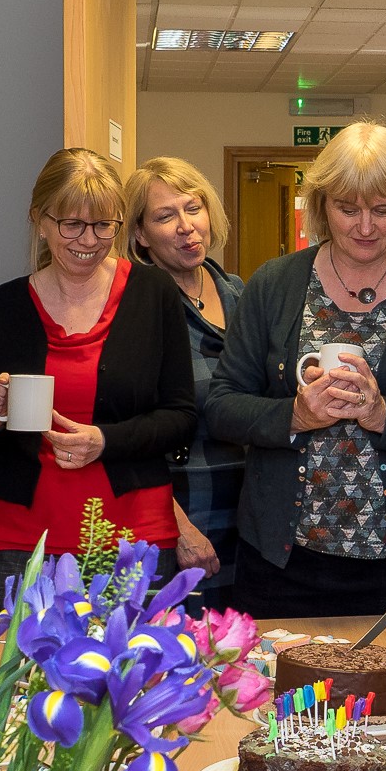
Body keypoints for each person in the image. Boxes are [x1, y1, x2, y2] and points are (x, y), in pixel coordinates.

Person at [205, 122, 386, 676]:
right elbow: (222, 405)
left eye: (383, 210)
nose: (365, 226)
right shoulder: (275, 284)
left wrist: (385, 415)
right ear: (319, 204)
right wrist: (296, 414)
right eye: (346, 208)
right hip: (282, 565)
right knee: (278, 722)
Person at [0, 148, 196, 626]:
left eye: (103, 226)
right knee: (9, 689)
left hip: (134, 535)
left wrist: (105, 441)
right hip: (18, 538)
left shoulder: (153, 295)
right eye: (71, 224)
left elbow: (181, 417)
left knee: (132, 687)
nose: (88, 241)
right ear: (40, 220)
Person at [124, 156, 247, 605]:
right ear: (140, 235)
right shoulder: (136, 307)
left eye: (193, 208)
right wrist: (180, 528)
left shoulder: (240, 293)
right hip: (179, 511)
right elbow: (133, 437)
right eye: (164, 216)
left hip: (248, 513)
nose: (185, 226)